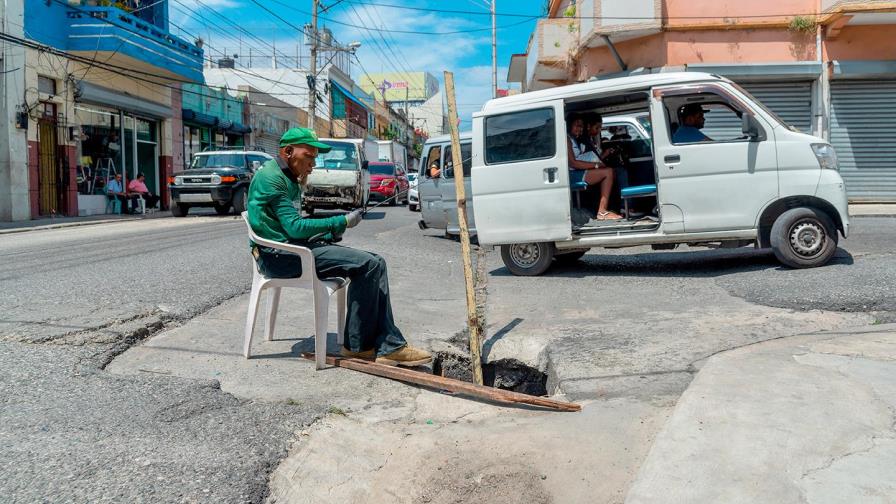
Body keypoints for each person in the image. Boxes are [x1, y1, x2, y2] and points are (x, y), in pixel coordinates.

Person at [247, 127, 432, 367]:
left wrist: (328, 231)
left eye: (314, 158)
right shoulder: (273, 178)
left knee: (376, 262)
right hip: (281, 257)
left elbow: (288, 226)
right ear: (289, 151)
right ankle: (366, 346)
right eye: (309, 156)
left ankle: (375, 344)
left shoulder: (286, 176)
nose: (312, 164)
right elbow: (293, 227)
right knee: (369, 265)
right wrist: (340, 221)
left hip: (290, 248)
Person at [567, 114, 622, 221]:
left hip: (578, 172)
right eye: (577, 125)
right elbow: (573, 163)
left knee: (609, 171)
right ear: (569, 125)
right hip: (573, 174)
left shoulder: (574, 140)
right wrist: (596, 165)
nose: (580, 129)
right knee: (608, 172)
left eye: (581, 126)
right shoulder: (567, 140)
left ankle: (607, 209)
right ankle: (602, 211)